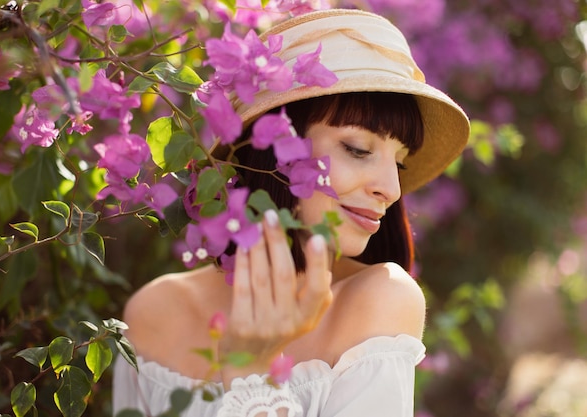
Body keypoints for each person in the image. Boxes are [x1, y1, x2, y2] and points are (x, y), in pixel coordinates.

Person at [113, 8, 470, 417]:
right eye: (358, 149)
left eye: (399, 163)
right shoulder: (156, 311)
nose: (390, 189)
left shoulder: (380, 301)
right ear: (273, 146)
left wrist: (255, 371)